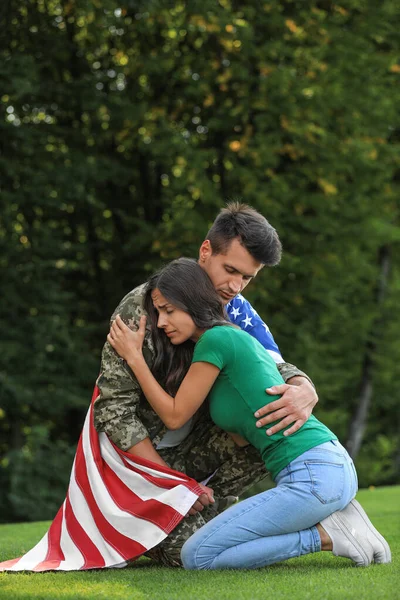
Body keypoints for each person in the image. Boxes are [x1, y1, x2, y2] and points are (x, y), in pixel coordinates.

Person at [107, 257, 391, 570]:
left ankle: (325, 535)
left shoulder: (216, 339)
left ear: (193, 302)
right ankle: (337, 520)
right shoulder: (228, 345)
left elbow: (175, 417)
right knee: (204, 549)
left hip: (313, 475)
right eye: (158, 312)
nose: (161, 322)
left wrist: (135, 358)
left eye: (169, 311)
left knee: (197, 556)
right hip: (324, 469)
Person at [94, 203, 319, 566]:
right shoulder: (144, 307)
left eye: (247, 278)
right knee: (190, 553)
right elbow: (114, 409)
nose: (235, 286)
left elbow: (272, 364)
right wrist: (172, 485)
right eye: (230, 270)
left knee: (276, 412)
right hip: (141, 462)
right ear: (205, 251)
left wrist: (304, 387)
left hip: (195, 452)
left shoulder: (234, 308)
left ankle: (215, 505)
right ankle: (204, 514)